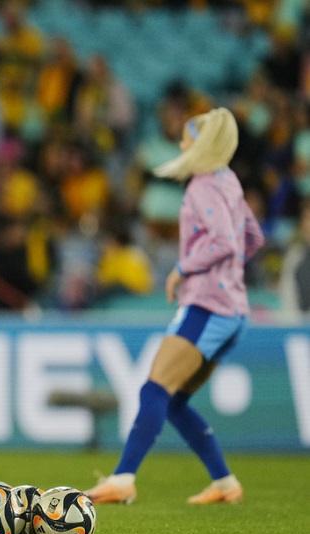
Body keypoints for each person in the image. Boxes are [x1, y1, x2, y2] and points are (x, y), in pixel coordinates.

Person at [85, 107, 265, 505]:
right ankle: (224, 483)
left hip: (207, 306)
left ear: (200, 142)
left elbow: (227, 243)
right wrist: (232, 277)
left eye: (187, 136)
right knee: (176, 399)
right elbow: (251, 238)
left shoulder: (203, 185)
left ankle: (123, 478)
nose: (181, 142)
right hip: (235, 311)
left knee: (154, 389)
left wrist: (183, 269)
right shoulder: (229, 180)